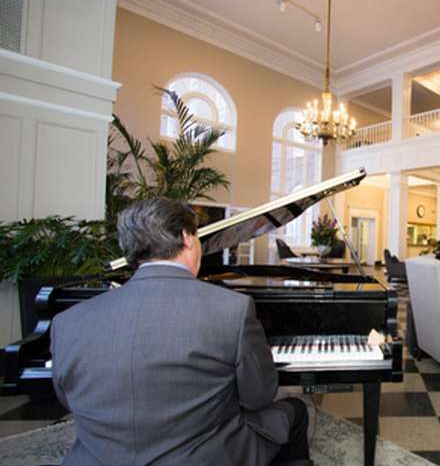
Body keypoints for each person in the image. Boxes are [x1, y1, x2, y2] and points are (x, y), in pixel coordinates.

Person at [50, 198, 312, 466]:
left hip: (97, 460)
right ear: (187, 238)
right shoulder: (232, 309)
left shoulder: (67, 321)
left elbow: (68, 399)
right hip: (204, 458)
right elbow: (258, 397)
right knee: (295, 411)